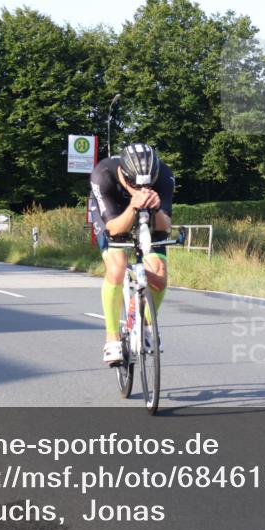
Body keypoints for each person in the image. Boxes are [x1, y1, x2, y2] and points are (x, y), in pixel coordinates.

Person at [89, 144, 175, 365]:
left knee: (159, 274)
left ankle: (147, 326)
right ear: (124, 175)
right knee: (117, 268)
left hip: (148, 218)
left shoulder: (164, 176)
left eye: (147, 185)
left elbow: (165, 227)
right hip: (114, 215)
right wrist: (133, 206)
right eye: (135, 185)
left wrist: (155, 209)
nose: (142, 189)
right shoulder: (104, 175)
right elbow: (114, 228)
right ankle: (112, 338)